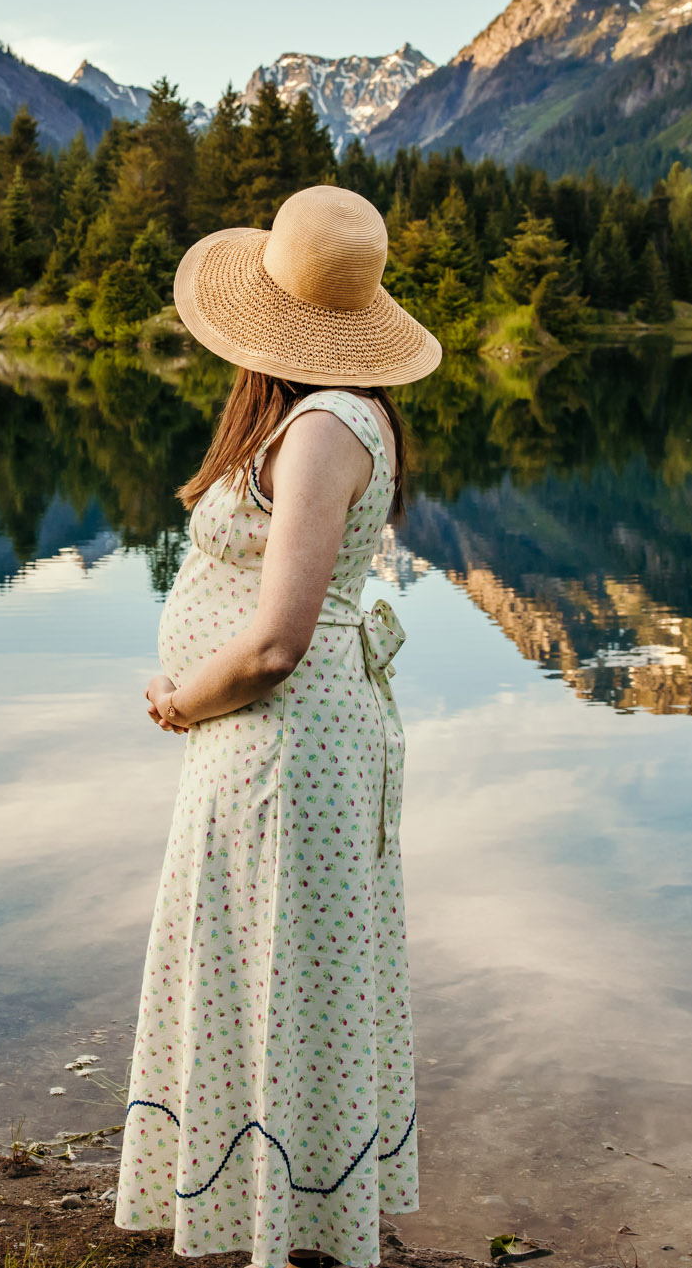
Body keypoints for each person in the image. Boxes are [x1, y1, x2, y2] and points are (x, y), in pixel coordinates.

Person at [113, 184, 443, 1268]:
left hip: (281, 743)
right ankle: (292, 1211)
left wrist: (181, 698)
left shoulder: (319, 428)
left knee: (279, 973)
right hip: (287, 743)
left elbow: (275, 642)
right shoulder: (347, 416)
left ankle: (289, 1221)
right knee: (290, 971)